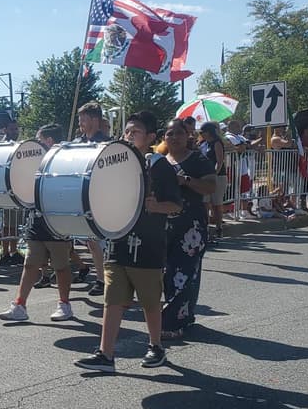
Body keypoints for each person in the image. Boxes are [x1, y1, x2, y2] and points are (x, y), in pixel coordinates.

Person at [76, 111, 181, 372]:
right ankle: (105, 354)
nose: (129, 135)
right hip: (119, 241)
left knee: (149, 301)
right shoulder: (115, 164)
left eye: (135, 131)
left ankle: (156, 346)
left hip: (148, 243)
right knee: (112, 300)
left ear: (150, 137)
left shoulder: (160, 166)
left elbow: (176, 205)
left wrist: (157, 206)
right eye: (127, 131)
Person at [0, 123, 74, 323]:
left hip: (57, 221)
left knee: (61, 266)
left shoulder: (65, 160)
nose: (37, 144)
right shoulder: (36, 163)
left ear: (49, 141)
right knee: (30, 264)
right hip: (37, 219)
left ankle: (64, 304)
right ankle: (20, 305)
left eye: (40, 140)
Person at [161, 117, 218, 340]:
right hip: (164, 225)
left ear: (188, 136)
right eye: (169, 134)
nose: (174, 137)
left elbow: (210, 185)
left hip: (191, 227)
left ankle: (173, 322)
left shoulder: (198, 159)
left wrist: (185, 180)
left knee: (184, 273)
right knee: (168, 274)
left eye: (179, 133)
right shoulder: (160, 161)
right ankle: (185, 316)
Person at [75, 102, 109, 296]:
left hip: (101, 197)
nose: (80, 122)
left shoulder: (106, 144)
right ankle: (101, 278)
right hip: (82, 196)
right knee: (91, 242)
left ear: (95, 120)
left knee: (98, 243)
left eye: (84, 119)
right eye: (80, 118)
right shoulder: (77, 143)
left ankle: (103, 279)